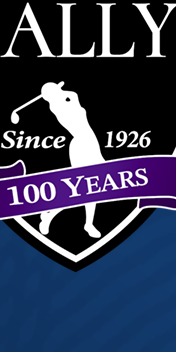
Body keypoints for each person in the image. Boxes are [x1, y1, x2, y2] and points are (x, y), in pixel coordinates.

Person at [34, 82, 103, 240]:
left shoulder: (68, 99)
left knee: (95, 189)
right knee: (82, 189)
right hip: (81, 145)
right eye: (56, 90)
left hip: (91, 143)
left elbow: (72, 96)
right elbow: (69, 96)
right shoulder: (58, 106)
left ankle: (87, 223)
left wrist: (55, 90)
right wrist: (56, 91)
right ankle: (51, 214)